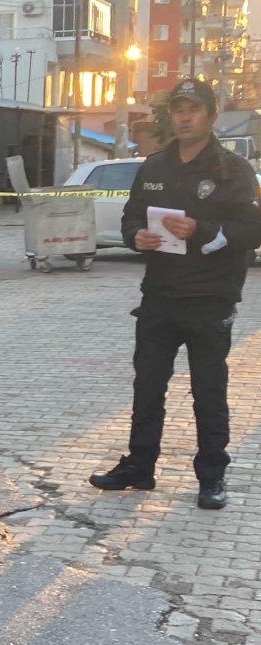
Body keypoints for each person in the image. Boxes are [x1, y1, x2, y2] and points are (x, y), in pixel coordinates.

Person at [90, 79, 261, 509]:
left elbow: (252, 230)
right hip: (160, 296)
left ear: (211, 115)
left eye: (193, 109)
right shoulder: (154, 167)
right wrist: (136, 237)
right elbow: (130, 218)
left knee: (208, 390)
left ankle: (211, 477)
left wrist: (203, 231)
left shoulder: (232, 170)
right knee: (147, 385)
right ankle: (139, 466)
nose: (184, 117)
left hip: (210, 297)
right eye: (178, 109)